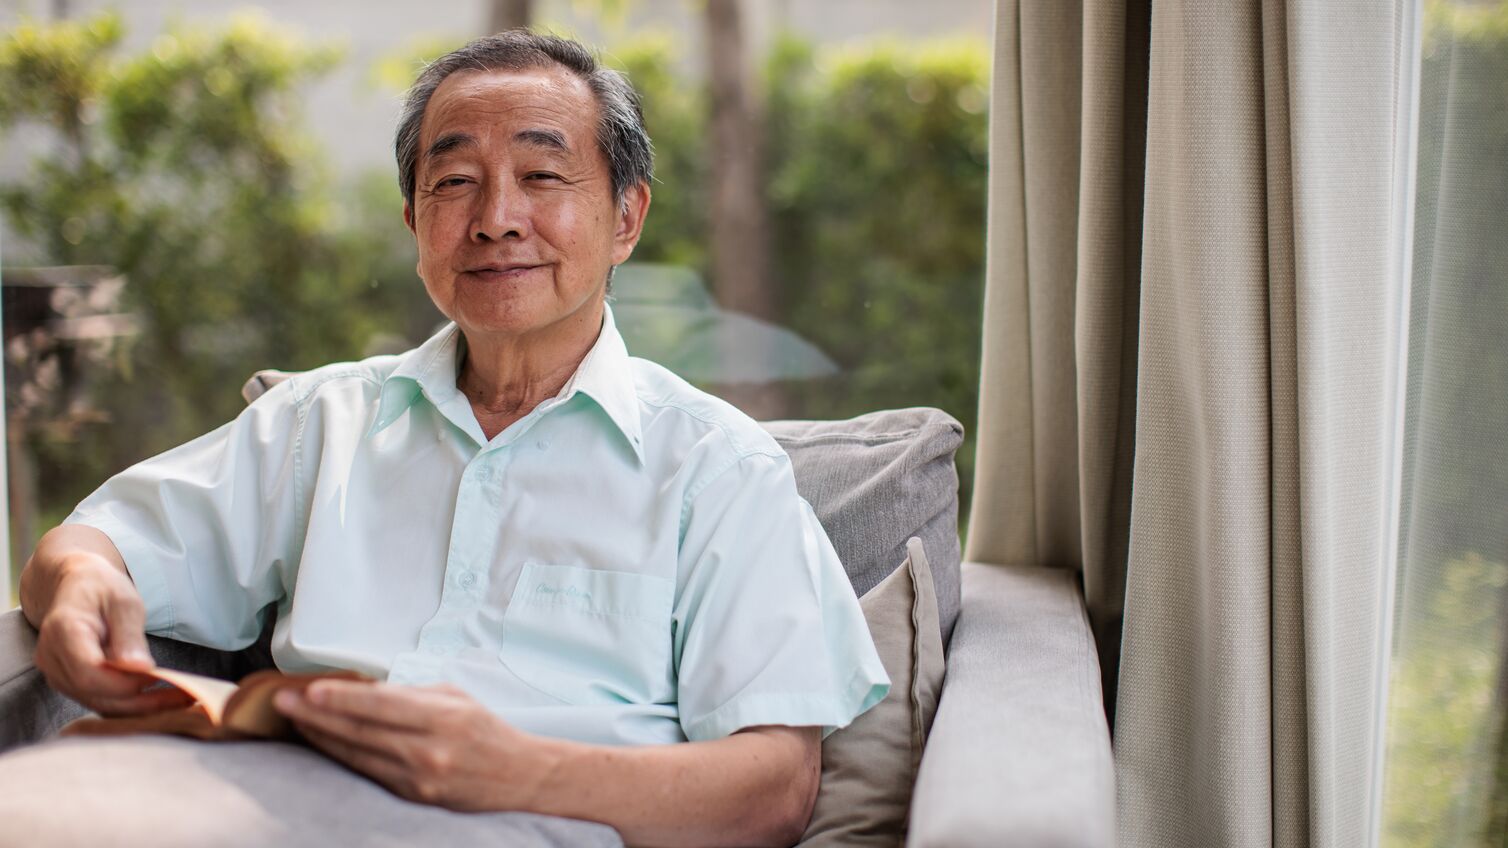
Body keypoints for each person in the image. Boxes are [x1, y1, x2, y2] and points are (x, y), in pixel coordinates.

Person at [17, 31, 887, 847]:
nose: (496, 217)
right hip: (262, 805)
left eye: (542, 175)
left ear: (627, 218)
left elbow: (775, 788)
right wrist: (82, 584)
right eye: (456, 181)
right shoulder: (322, 422)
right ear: (414, 224)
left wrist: (518, 771)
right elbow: (91, 543)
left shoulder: (718, 469)